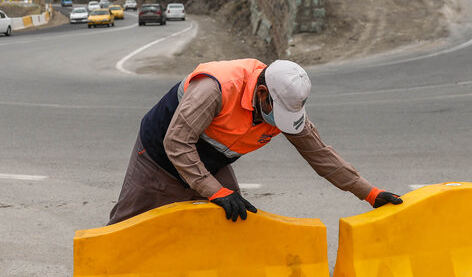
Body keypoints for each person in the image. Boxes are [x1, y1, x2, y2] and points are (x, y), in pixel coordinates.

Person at [108, 58, 402, 224]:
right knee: (123, 233)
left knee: (235, 225)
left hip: (212, 162)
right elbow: (177, 143)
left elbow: (321, 156)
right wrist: (214, 191)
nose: (282, 122)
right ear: (262, 94)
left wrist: (371, 193)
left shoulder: (281, 104)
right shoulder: (216, 89)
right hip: (158, 159)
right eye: (280, 112)